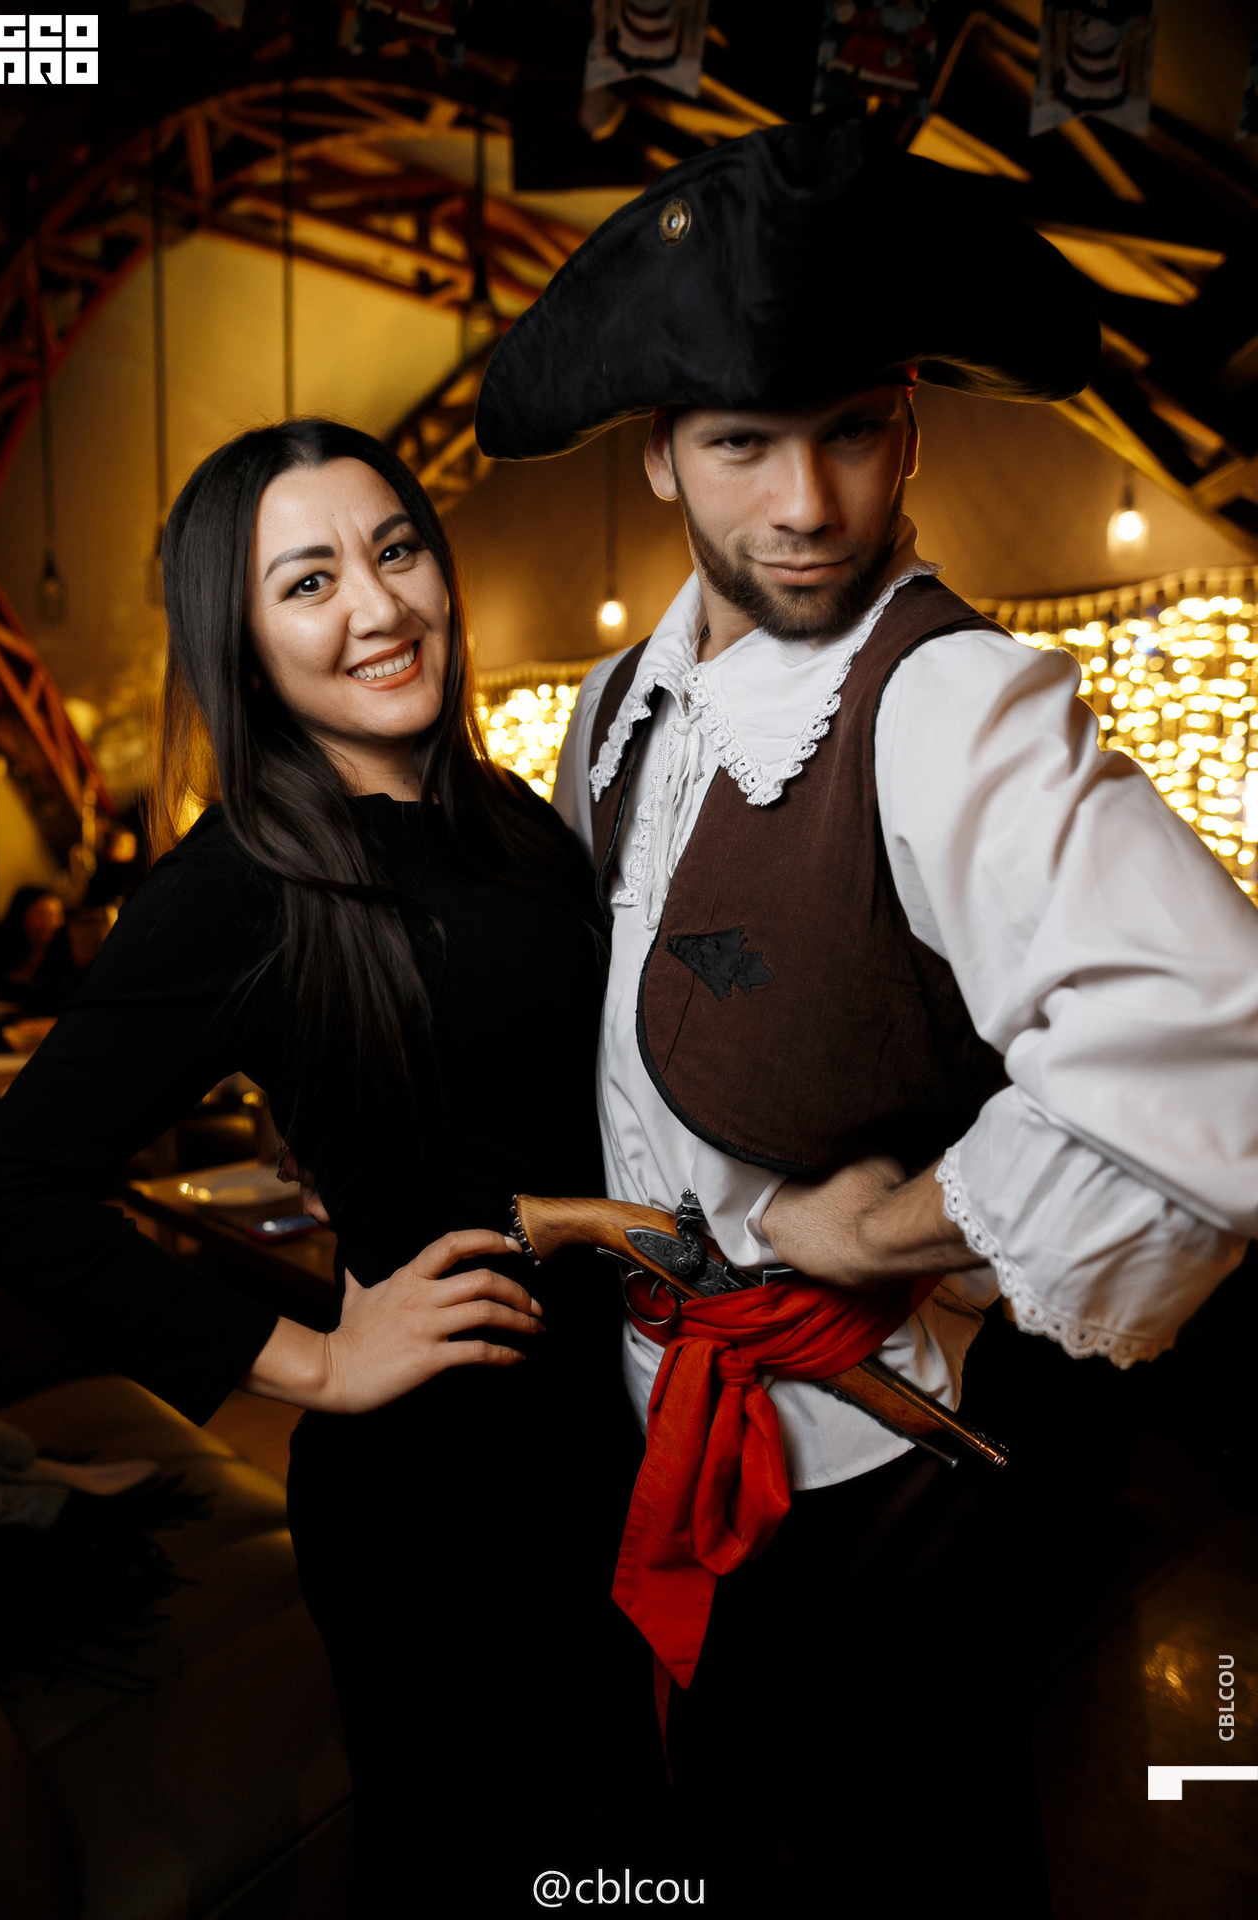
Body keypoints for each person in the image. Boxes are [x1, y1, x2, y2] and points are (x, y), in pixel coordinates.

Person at [475, 120, 1258, 1915]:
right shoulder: (614, 706)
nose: (809, 505)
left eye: (851, 429)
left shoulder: (953, 704)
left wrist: (890, 1228)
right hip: (656, 1428)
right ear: (659, 453)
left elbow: (1230, 1054)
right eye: (742, 443)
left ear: (913, 422)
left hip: (874, 1458)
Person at [0, 419, 649, 1912]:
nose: (378, 604)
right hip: (439, 1506)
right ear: (244, 642)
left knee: (623, 1863)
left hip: (608, 1444)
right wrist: (316, 1363)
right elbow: (9, 1187)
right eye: (308, 581)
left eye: (395, 549)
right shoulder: (237, 884)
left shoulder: (505, 819)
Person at [0, 886, 80, 1021]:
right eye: (42, 915)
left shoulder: (67, 959)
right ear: (21, 916)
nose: (51, 923)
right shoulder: (2, 954)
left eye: (57, 915)